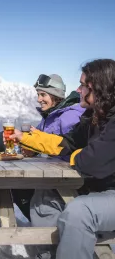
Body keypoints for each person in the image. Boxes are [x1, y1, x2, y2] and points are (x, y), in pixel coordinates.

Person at [9, 59, 115, 259]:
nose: (78, 89)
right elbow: (66, 143)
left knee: (79, 212)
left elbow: (91, 160)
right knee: (47, 198)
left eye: (84, 85)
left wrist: (76, 156)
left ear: (99, 88)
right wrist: (27, 138)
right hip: (99, 188)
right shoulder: (93, 117)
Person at [8, 74, 85, 221]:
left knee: (17, 186)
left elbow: (68, 146)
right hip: (52, 174)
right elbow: (39, 142)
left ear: (56, 96)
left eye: (43, 94)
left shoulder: (69, 117)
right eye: (38, 94)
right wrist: (31, 148)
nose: (39, 99)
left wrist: (30, 142)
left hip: (68, 178)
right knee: (15, 185)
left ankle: (48, 232)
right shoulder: (50, 117)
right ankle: (43, 227)